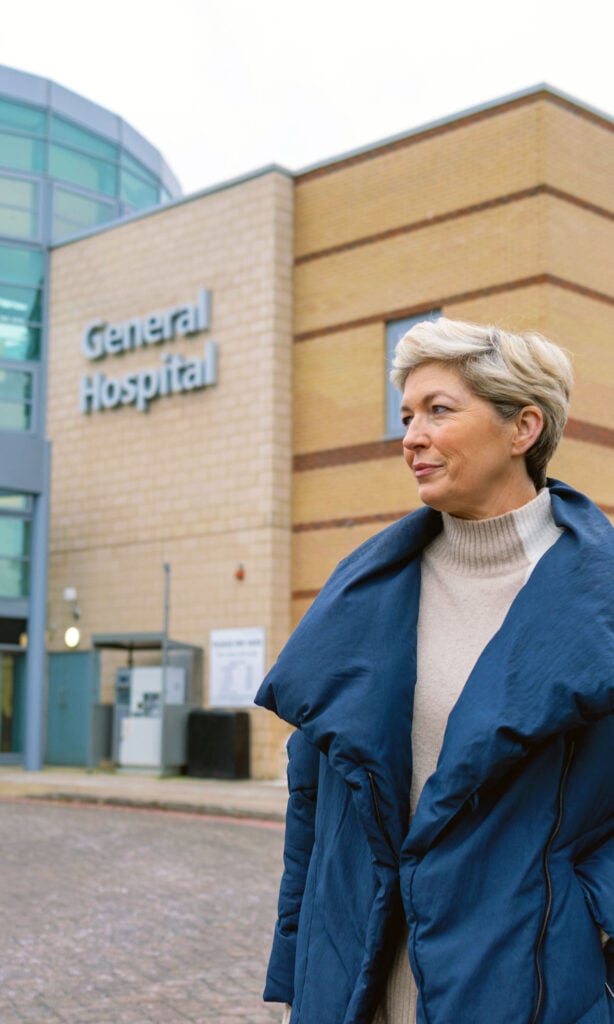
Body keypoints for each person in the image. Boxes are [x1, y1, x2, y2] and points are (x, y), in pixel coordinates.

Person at [255, 318, 614, 1024]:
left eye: (439, 411)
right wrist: (294, 976)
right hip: (358, 987)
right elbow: (313, 815)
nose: (411, 437)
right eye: (407, 416)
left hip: (529, 984)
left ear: (524, 429)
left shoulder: (599, 599)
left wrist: (591, 912)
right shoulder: (361, 595)